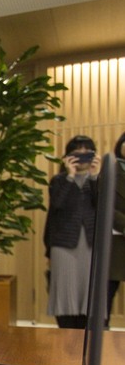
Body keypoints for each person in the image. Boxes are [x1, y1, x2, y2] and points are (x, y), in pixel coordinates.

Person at [44, 135, 101, 328]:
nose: (83, 157)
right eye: (78, 153)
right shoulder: (59, 180)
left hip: (92, 245)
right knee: (65, 293)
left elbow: (103, 206)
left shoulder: (99, 180)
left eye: (88, 153)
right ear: (69, 156)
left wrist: (94, 176)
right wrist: (70, 175)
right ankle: (66, 332)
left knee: (91, 296)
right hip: (63, 245)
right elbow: (57, 204)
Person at [108, 131, 125, 320]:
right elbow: (105, 206)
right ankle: (102, 336)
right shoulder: (110, 172)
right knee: (106, 295)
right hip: (115, 243)